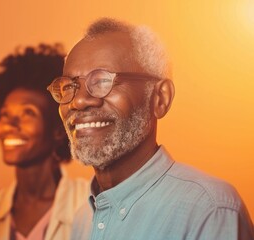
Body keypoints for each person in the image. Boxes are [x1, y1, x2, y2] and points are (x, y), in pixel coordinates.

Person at [45, 17, 254, 239]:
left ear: (159, 98)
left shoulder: (210, 210)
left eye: (102, 81)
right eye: (69, 86)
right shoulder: (82, 220)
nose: (78, 101)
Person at [0, 44, 90, 240]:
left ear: (57, 129)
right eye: (5, 114)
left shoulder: (90, 200)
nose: (10, 124)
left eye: (27, 113)